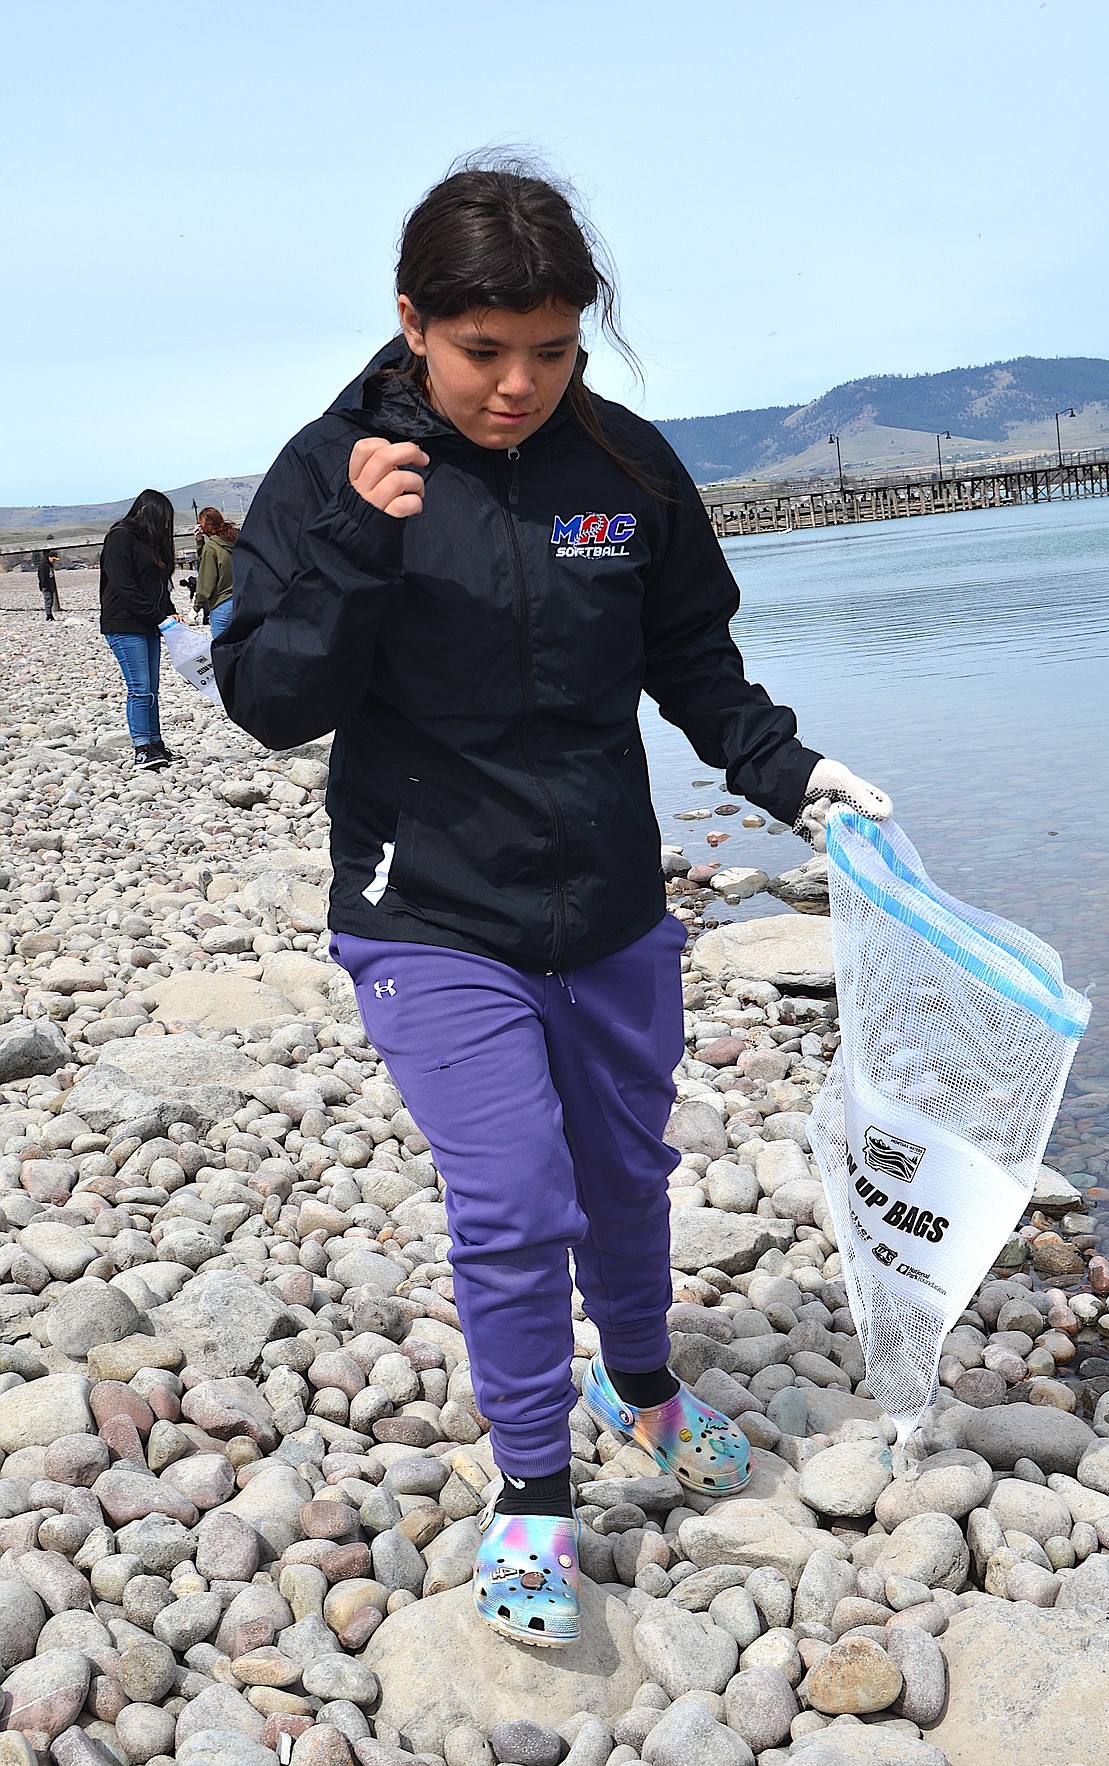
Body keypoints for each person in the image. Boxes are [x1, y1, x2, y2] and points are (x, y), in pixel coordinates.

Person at [215, 160, 891, 1648]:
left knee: (624, 1171)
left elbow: (694, 668)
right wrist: (353, 546)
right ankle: (529, 1486)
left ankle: (639, 1387)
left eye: (552, 349)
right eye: (481, 353)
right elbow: (267, 697)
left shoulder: (629, 473)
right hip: (424, 912)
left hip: (608, 904)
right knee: (516, 1205)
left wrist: (795, 777)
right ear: (411, 323)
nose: (518, 384)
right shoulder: (332, 472)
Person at [99, 489, 178, 770]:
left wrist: (168, 611)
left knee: (152, 689)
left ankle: (156, 744)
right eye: (162, 520)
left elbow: (158, 584)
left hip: (149, 623)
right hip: (124, 623)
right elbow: (125, 587)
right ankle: (142, 748)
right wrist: (159, 616)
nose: (165, 526)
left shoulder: (152, 542)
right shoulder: (120, 537)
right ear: (145, 512)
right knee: (139, 688)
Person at [191, 506, 237, 636]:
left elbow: (206, 581)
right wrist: (200, 542)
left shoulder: (211, 548)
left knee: (221, 650)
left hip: (221, 604)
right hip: (240, 600)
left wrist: (196, 607)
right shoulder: (232, 540)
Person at [36, 549, 60, 621]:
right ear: (49, 557)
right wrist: (44, 586)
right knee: (48, 601)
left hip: (50, 586)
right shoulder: (43, 565)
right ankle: (48, 615)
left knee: (51, 601)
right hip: (45, 586)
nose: (54, 561)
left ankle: (50, 615)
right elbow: (42, 576)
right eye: (53, 559)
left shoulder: (49, 564)